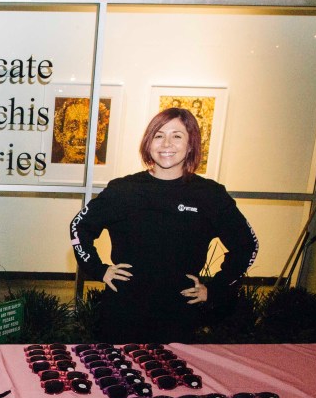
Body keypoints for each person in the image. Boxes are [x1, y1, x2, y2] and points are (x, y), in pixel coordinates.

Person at [69, 107, 258, 343]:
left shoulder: (209, 195)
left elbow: (247, 245)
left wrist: (215, 289)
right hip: (123, 311)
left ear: (191, 145)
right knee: (117, 377)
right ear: (148, 143)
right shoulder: (124, 190)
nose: (166, 143)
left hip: (179, 314)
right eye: (159, 135)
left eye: (177, 136)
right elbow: (79, 227)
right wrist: (99, 269)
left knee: (172, 378)